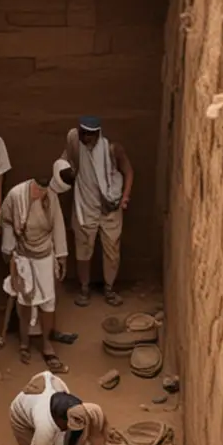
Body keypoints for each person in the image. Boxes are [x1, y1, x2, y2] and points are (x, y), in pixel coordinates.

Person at [57, 117, 134, 306]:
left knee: (112, 251)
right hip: (85, 206)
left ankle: (109, 289)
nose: (85, 138)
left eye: (89, 135)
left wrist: (124, 197)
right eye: (83, 133)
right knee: (83, 251)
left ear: (98, 134)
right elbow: (63, 162)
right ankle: (84, 289)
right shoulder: (75, 143)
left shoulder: (112, 150)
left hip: (110, 207)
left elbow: (128, 172)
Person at [0, 172, 68, 365]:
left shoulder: (51, 197)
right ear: (32, 184)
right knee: (25, 301)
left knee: (48, 303)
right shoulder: (16, 195)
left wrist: (61, 257)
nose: (40, 193)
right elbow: (4, 220)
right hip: (23, 255)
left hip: (45, 254)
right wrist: (9, 249)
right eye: (38, 189)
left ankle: (46, 343)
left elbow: (58, 226)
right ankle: (24, 343)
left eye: (43, 190)